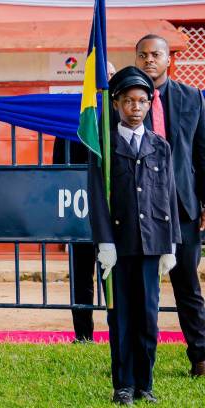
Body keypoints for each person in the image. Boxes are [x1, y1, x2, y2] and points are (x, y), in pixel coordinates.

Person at [88, 66, 179, 405]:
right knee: (121, 317)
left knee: (148, 318)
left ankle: (145, 383)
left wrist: (170, 244)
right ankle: (123, 383)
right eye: (128, 101)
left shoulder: (160, 146)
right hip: (119, 244)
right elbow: (96, 194)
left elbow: (167, 195)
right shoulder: (105, 146)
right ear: (116, 104)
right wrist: (104, 241)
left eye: (142, 101)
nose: (135, 108)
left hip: (152, 242)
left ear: (149, 103)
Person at [135, 34, 205, 378]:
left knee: (187, 286)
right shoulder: (128, 100)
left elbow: (201, 154)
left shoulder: (194, 99)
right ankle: (138, 361)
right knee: (143, 288)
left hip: (183, 208)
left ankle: (201, 357)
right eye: (143, 55)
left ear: (168, 60)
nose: (150, 60)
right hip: (142, 208)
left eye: (156, 54)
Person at [53, 61, 115, 343]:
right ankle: (83, 335)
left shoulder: (122, 115)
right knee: (80, 276)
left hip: (114, 211)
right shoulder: (72, 116)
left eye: (110, 76)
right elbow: (58, 167)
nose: (105, 81)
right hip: (79, 208)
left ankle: (118, 331)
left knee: (114, 274)